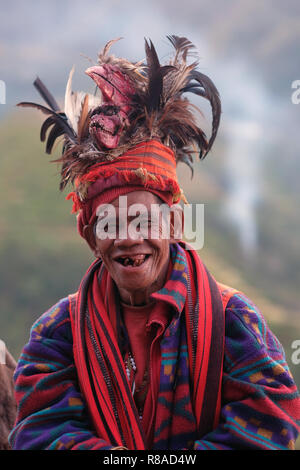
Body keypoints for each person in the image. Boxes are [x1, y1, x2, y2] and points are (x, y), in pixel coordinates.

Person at [9, 36, 300, 450]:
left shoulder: (234, 321)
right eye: (109, 223)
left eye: (144, 218)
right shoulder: (56, 335)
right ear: (90, 236)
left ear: (175, 222)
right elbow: (41, 432)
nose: (128, 238)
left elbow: (271, 421)